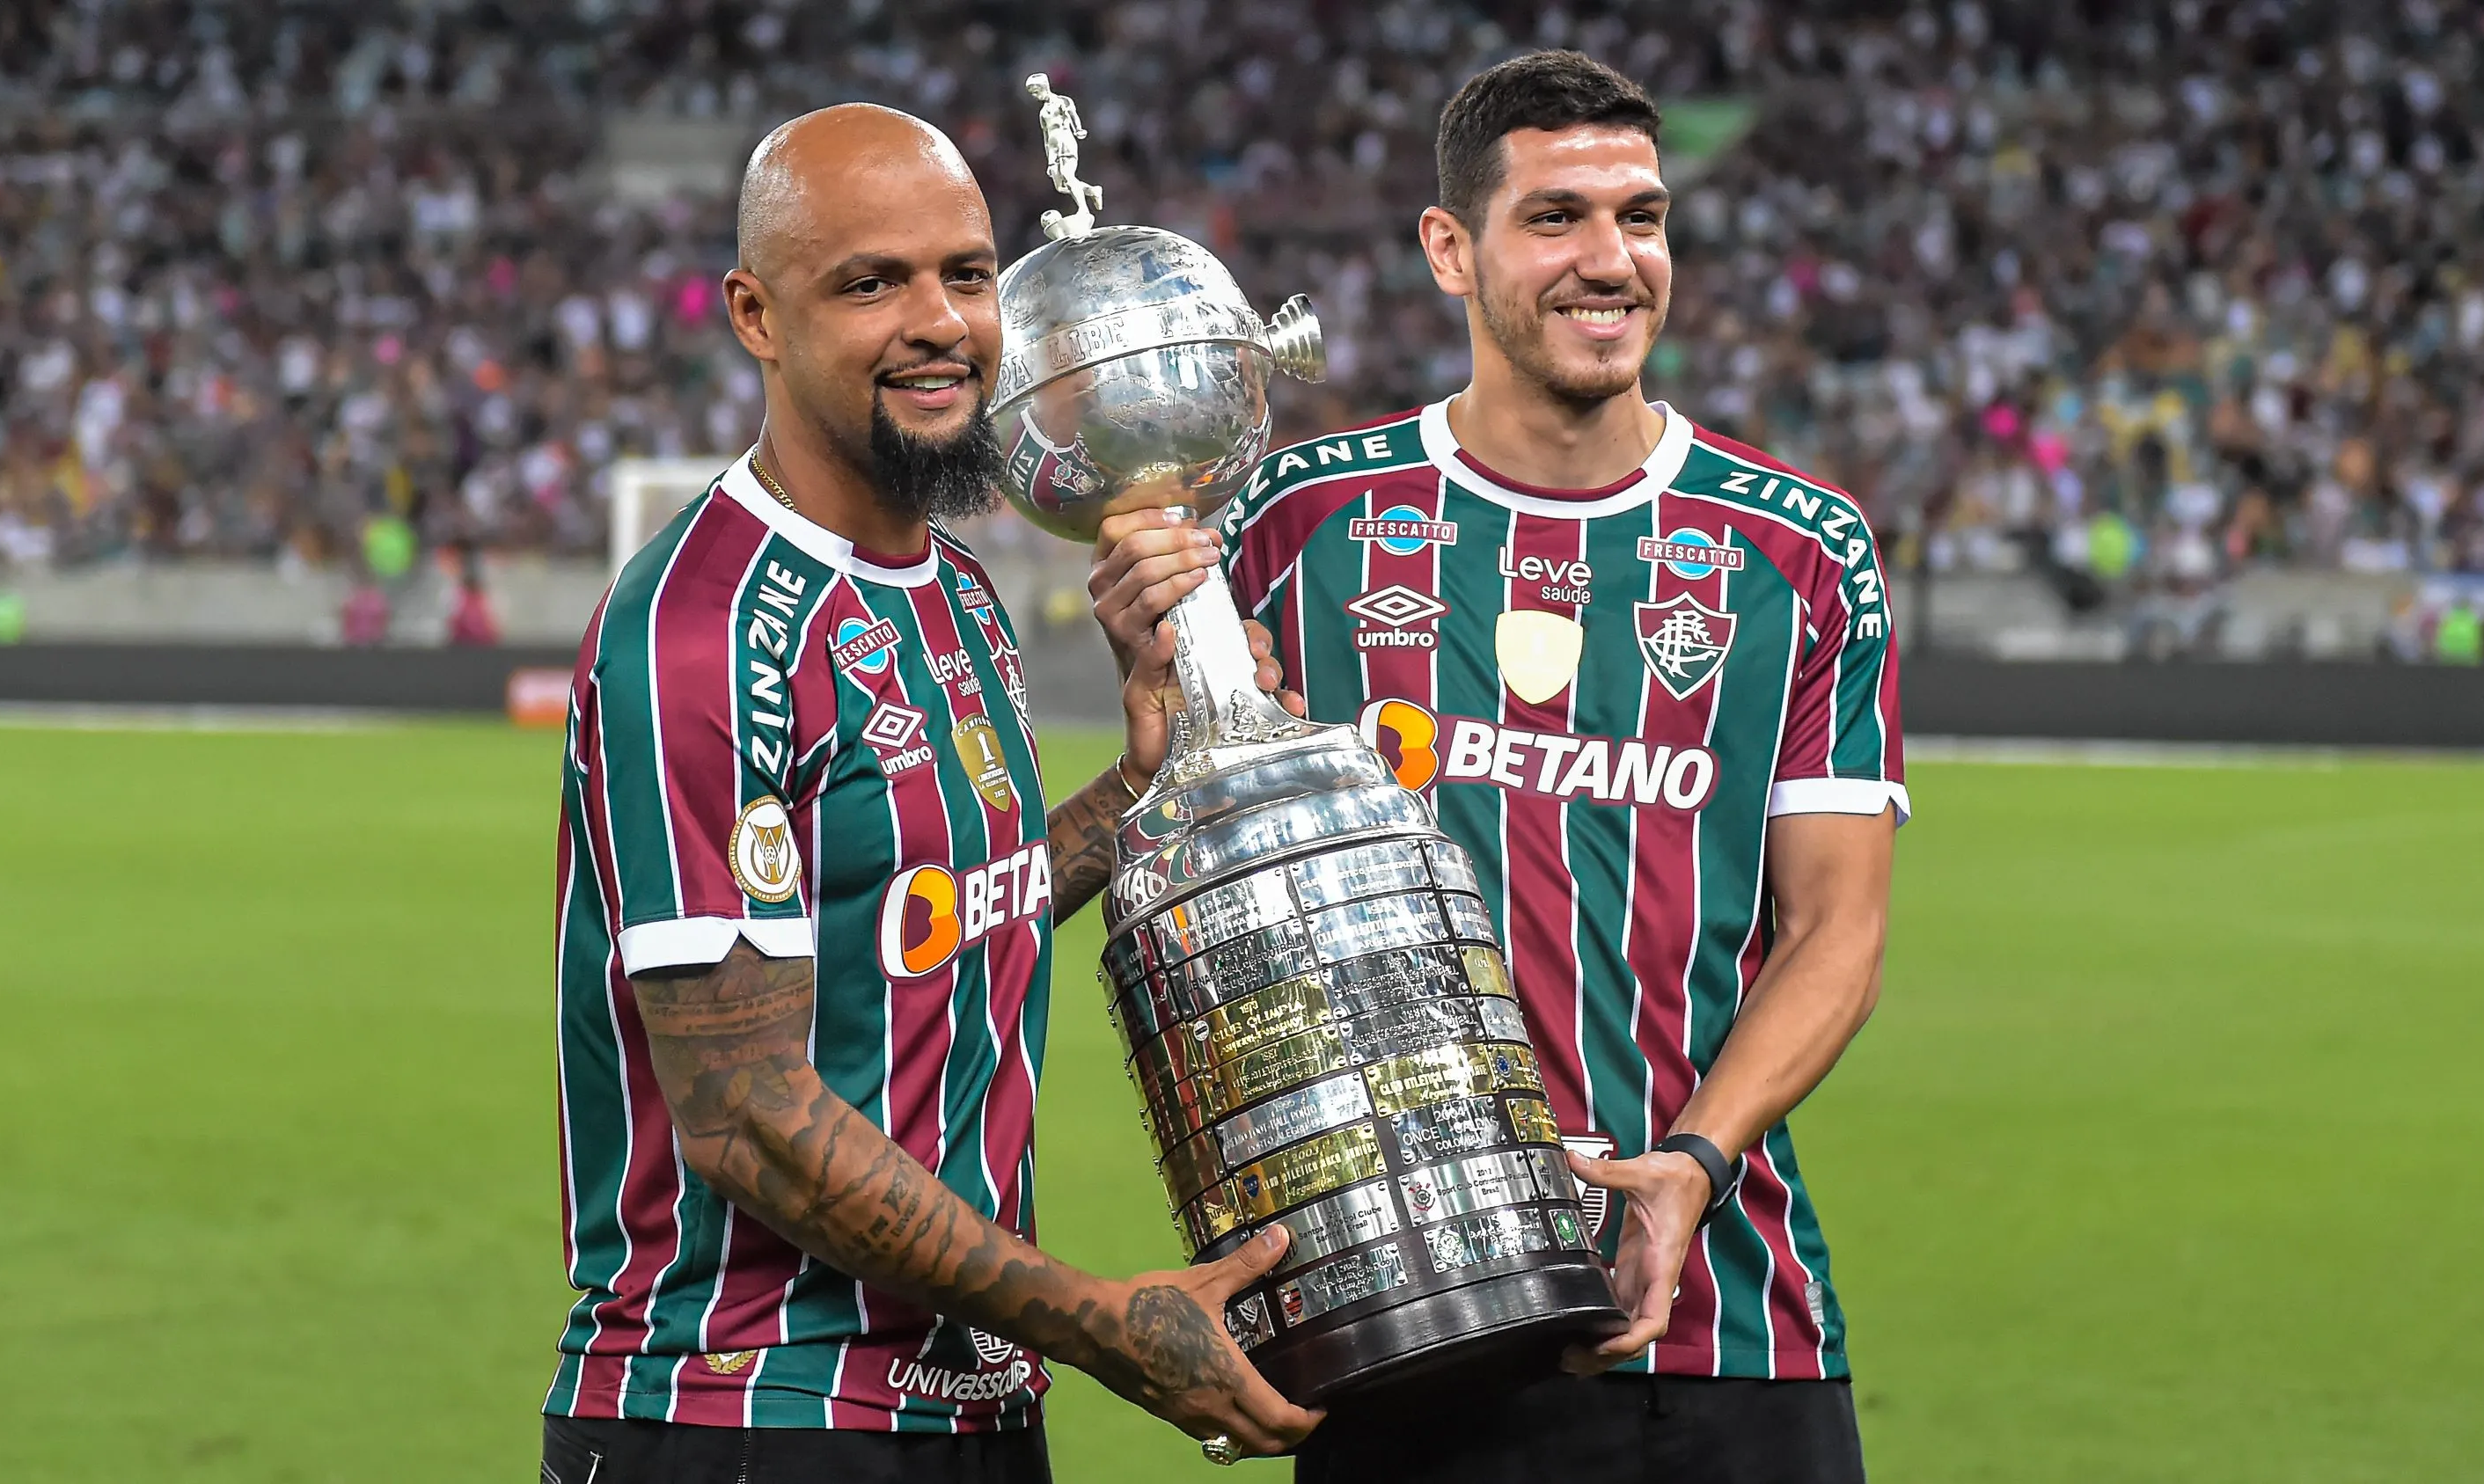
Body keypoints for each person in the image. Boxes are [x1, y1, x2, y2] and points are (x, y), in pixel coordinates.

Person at [1090, 52, 1903, 1484]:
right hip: (1408, 1329)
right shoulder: (1303, 522)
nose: (1613, 261)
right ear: (1450, 248)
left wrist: (1691, 1165)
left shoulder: (1799, 548)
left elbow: (1837, 930)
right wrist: (1153, 722)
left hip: (1725, 1332)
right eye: (1558, 219)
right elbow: (1194, 879)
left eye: (1641, 217)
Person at [542, 104, 1318, 1484]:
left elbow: (956, 909)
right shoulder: (703, 626)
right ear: (756, 315)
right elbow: (743, 1113)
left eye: (965, 274)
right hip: (747, 1414)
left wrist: (1140, 780)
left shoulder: (958, 594)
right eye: (869, 282)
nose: (940, 321)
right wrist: (1101, 1322)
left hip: (967, 1413)